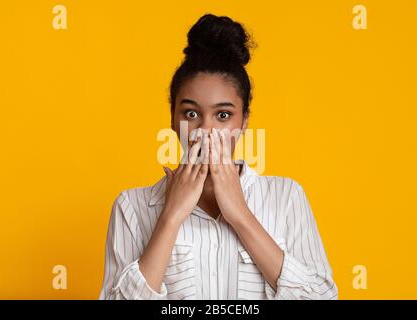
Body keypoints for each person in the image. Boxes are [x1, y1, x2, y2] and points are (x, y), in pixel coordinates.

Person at [99, 13, 337, 300]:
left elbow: (321, 297)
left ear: (244, 121)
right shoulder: (132, 207)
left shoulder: (286, 197)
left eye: (223, 115)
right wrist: (171, 216)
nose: (206, 130)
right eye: (191, 114)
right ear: (173, 120)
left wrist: (241, 215)